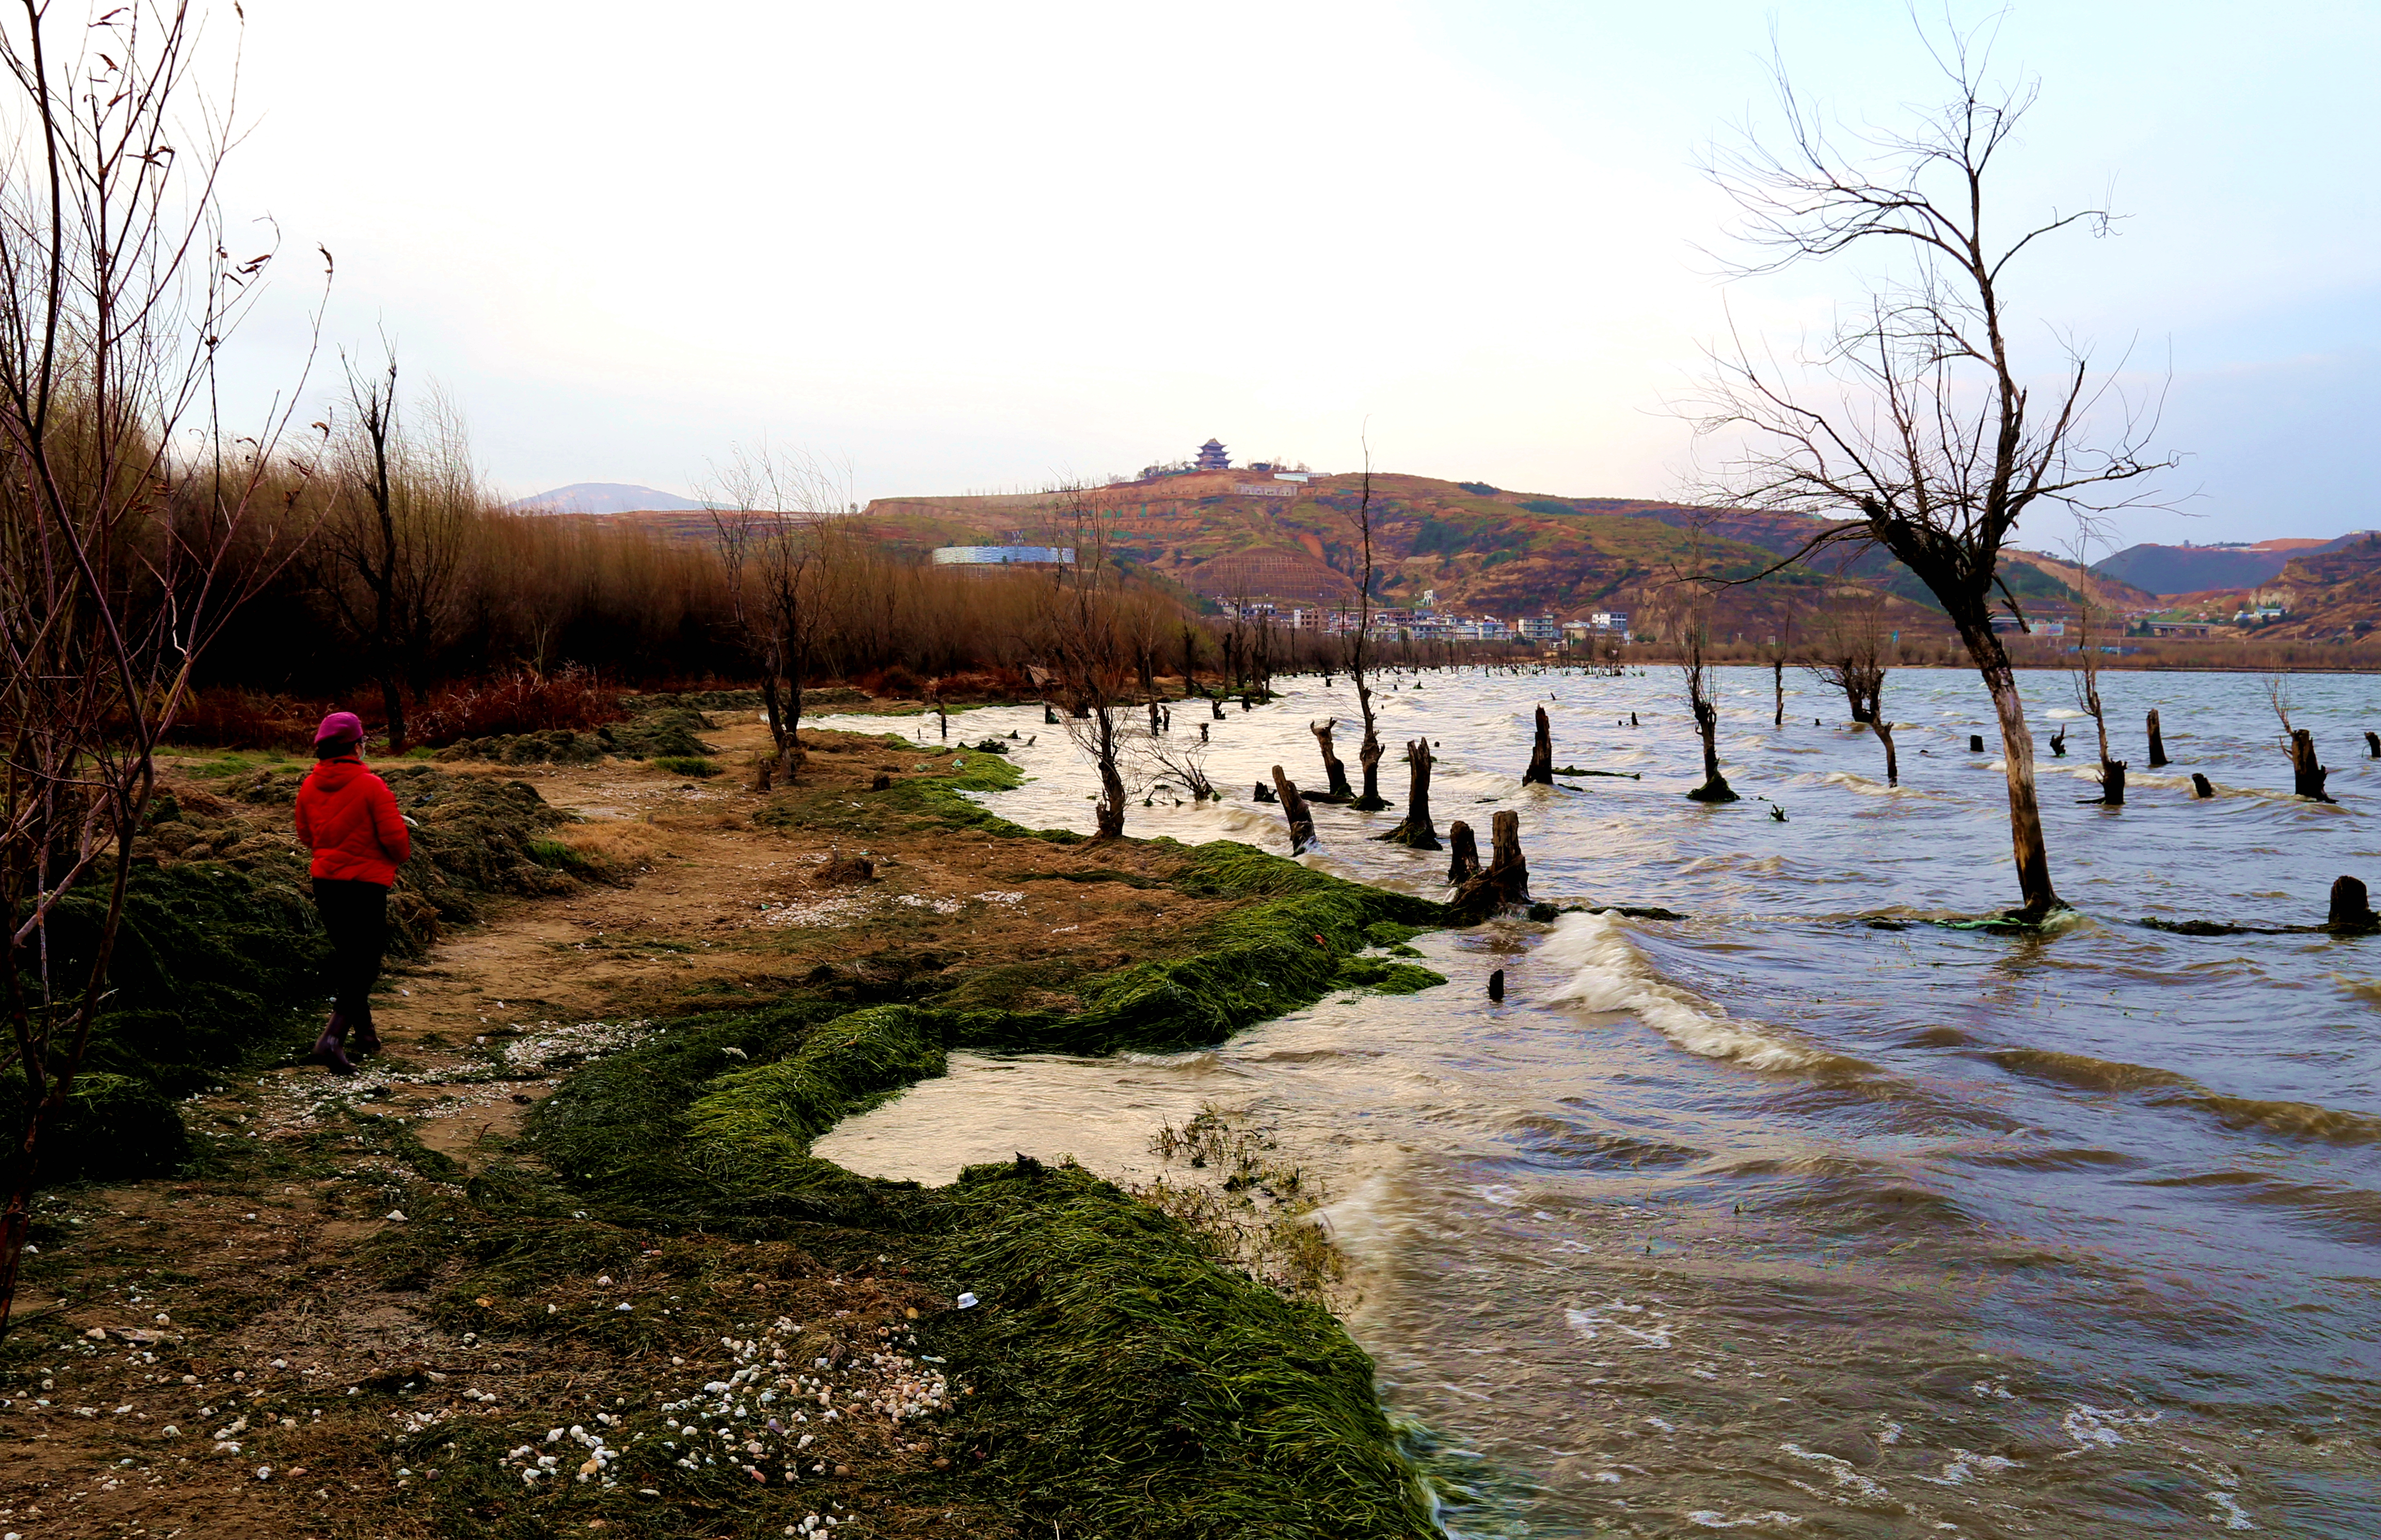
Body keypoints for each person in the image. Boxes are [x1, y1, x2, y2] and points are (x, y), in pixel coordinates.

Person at [292, 711, 411, 1075]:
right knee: (366, 961)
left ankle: (366, 1035)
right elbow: (398, 846)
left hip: (326, 882)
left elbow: (306, 836)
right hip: (365, 884)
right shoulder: (372, 786)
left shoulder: (309, 787)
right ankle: (331, 1039)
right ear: (356, 746)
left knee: (350, 958)